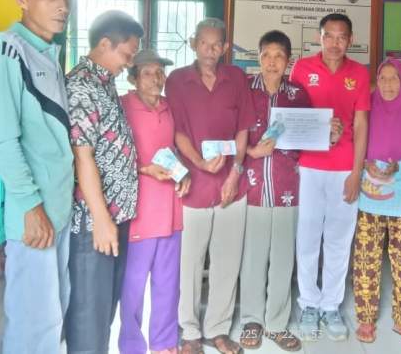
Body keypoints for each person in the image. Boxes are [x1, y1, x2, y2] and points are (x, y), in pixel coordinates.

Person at [0, 0, 85, 354]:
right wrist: (29, 205)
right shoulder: (7, 48)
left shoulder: (48, 54)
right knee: (32, 322)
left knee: (52, 315)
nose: (62, 5)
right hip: (33, 213)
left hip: (56, 209)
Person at [165, 18, 256, 354]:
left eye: (217, 44)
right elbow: (177, 131)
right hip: (194, 185)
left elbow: (243, 128)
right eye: (204, 43)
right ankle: (189, 333)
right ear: (193, 43)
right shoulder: (177, 80)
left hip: (232, 186)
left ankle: (217, 329)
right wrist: (200, 164)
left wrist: (235, 172)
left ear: (225, 47)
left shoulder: (236, 78)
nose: (210, 50)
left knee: (227, 260)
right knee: (189, 261)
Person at [65, 10, 144, 354]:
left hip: (113, 218)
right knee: (89, 315)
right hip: (94, 222)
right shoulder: (82, 86)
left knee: (103, 311)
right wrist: (100, 219)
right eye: (126, 54)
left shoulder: (105, 83)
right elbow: (82, 157)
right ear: (104, 44)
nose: (129, 63)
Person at [289, 13, 370, 342]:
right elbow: (292, 116)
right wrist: (320, 127)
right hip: (309, 166)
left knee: (339, 239)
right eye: (329, 36)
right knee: (308, 237)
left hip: (344, 169)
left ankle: (331, 305)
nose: (335, 43)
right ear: (319, 38)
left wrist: (356, 172)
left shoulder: (359, 73)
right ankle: (309, 303)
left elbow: (361, 125)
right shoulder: (301, 68)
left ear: (351, 40)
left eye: (341, 37)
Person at [237, 30, 310, 352]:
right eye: (266, 55)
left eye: (279, 56)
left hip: (287, 188)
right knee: (253, 258)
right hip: (251, 187)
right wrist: (251, 152)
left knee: (282, 258)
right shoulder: (243, 90)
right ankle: (252, 320)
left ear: (288, 61)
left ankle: (277, 324)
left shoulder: (298, 95)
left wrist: (328, 132)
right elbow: (229, 133)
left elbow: (309, 138)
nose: (271, 62)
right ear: (258, 57)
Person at [352, 59, 401, 347]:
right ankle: (365, 318)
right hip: (371, 199)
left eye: (394, 78)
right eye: (383, 78)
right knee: (366, 260)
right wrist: (366, 164)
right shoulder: (368, 109)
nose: (387, 84)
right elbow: (356, 145)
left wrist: (399, 168)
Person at [119, 50, 191, 354]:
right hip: (139, 210)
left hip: (171, 208)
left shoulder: (168, 106)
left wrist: (184, 174)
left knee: (167, 281)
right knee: (133, 285)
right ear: (133, 78)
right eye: (148, 73)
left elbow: (173, 149)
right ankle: (132, 345)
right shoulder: (122, 106)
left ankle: (164, 342)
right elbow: (112, 155)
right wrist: (145, 169)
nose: (156, 78)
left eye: (160, 72)